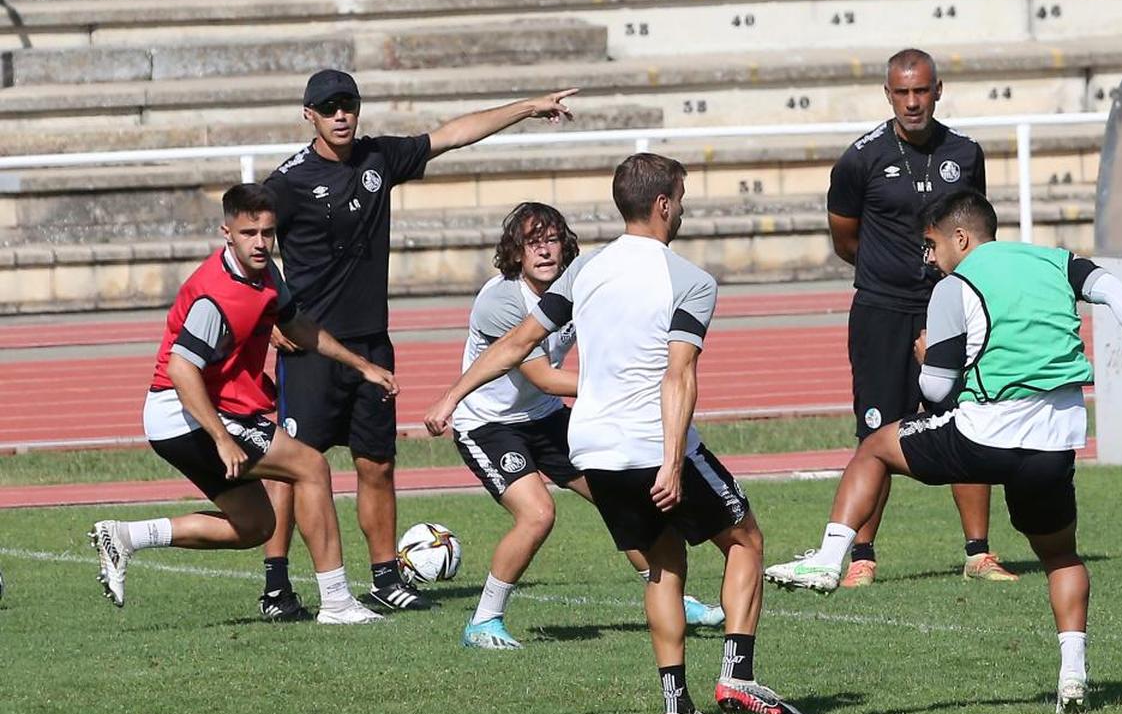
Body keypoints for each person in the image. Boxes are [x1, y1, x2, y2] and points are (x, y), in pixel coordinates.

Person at [426, 154, 805, 714]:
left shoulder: (585, 272)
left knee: (663, 566)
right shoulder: (691, 280)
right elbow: (679, 376)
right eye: (680, 197)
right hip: (651, 445)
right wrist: (675, 462)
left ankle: (677, 708)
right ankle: (736, 673)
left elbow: (514, 344)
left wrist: (450, 396)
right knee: (745, 540)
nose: (682, 207)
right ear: (662, 205)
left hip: (593, 449)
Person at [765, 190, 1122, 713]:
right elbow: (1111, 286)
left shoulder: (954, 286)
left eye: (931, 245)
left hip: (986, 435)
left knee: (873, 448)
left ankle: (829, 559)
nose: (930, 258)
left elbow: (937, 391)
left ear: (960, 238)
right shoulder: (1057, 261)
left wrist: (923, 356)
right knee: (1060, 556)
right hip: (1055, 443)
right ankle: (1072, 677)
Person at [258, 69, 578, 619]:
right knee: (296, 466)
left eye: (348, 105)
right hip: (309, 346)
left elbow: (453, 134)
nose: (341, 115)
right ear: (308, 114)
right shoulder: (286, 183)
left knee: (377, 464)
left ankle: (385, 577)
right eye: (328, 107)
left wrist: (527, 107)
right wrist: (268, 320)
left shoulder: (378, 158)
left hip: (371, 347)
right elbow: (250, 247)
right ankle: (276, 584)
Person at [89, 184, 398, 625]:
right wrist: (221, 439)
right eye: (249, 232)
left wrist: (361, 365)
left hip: (194, 414)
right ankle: (337, 602)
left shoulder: (267, 276)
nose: (260, 242)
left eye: (268, 233)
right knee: (311, 467)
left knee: (254, 525)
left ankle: (125, 536)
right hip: (184, 414)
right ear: (226, 233)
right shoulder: (216, 296)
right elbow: (181, 370)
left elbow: (299, 327)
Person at [447, 201, 724, 650]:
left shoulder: (581, 283)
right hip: (490, 425)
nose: (543, 251)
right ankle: (483, 621)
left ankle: (671, 591)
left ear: (566, 245)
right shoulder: (502, 299)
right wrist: (627, 383)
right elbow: (542, 375)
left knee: (617, 494)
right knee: (538, 513)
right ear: (515, 253)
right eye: (531, 243)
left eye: (551, 239)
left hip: (545, 416)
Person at [825, 47, 1015, 587]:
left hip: (954, 305)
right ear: (889, 95)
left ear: (938, 90)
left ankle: (978, 552)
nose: (913, 102)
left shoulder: (965, 152)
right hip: (881, 311)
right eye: (902, 92)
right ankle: (862, 556)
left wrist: (944, 289)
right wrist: (892, 275)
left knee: (969, 416)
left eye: (922, 90)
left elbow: (973, 227)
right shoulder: (860, 158)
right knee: (876, 429)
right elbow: (847, 238)